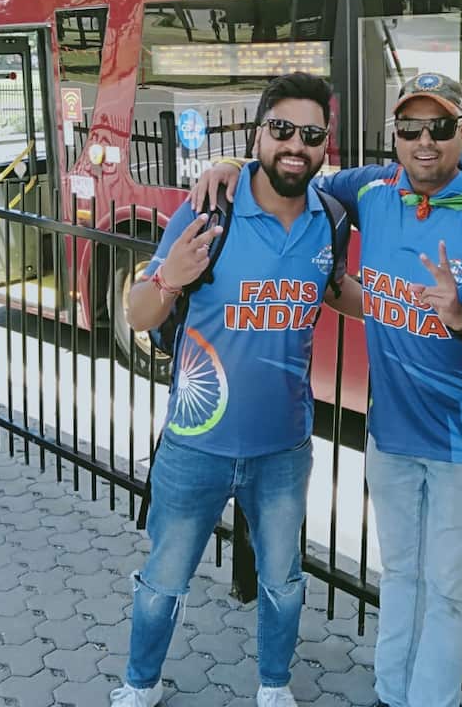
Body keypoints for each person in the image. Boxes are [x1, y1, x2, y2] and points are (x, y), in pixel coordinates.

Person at [191, 73, 462, 707]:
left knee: (447, 589)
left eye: (440, 128)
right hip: (390, 434)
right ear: (393, 134)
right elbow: (293, 167)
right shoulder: (373, 187)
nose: (424, 142)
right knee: (400, 576)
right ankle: (393, 694)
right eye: (409, 129)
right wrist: (229, 161)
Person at [111, 72, 362, 707]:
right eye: (281, 130)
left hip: (283, 449)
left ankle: (274, 686)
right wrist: (169, 276)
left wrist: (415, 312)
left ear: (324, 145)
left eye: (310, 134)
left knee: (282, 581)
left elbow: (337, 291)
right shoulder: (209, 212)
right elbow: (138, 315)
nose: (294, 146)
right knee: (164, 579)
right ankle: (140, 684)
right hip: (196, 442)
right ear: (258, 135)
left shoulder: (328, 220)